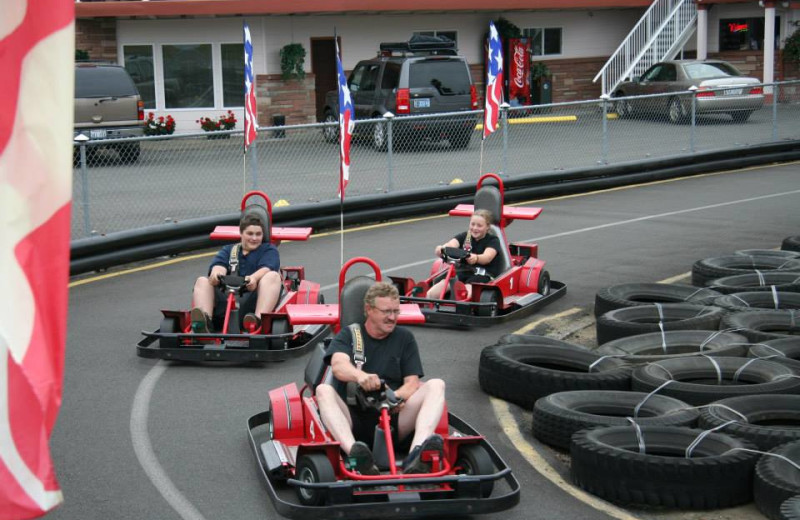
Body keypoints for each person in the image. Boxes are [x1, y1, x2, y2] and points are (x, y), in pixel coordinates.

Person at [316, 282, 446, 475]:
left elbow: (412, 383)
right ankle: (356, 454)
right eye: (386, 311)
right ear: (369, 310)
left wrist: (395, 398)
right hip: (355, 420)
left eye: (396, 311)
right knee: (323, 391)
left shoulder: (405, 338)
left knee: (437, 385)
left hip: (394, 419)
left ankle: (416, 455)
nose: (392, 317)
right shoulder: (350, 335)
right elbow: (338, 366)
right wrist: (361, 376)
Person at [190, 214, 283, 333]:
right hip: (227, 298)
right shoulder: (229, 250)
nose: (254, 238)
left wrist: (254, 278)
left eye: (258, 234)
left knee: (272, 276)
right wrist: (216, 274)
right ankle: (205, 323)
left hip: (253, 299)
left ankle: (257, 321)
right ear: (241, 233)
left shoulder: (268, 250)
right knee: (202, 281)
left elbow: (267, 268)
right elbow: (219, 265)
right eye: (250, 234)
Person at [427, 209, 502, 300]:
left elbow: (487, 257)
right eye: (472, 224)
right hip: (463, 272)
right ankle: (428, 305)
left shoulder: (493, 240)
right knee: (432, 292)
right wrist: (442, 249)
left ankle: (462, 303)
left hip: (482, 275)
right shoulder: (465, 236)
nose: (474, 228)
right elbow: (451, 244)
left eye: (479, 226)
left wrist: (477, 258)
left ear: (487, 227)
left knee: (465, 292)